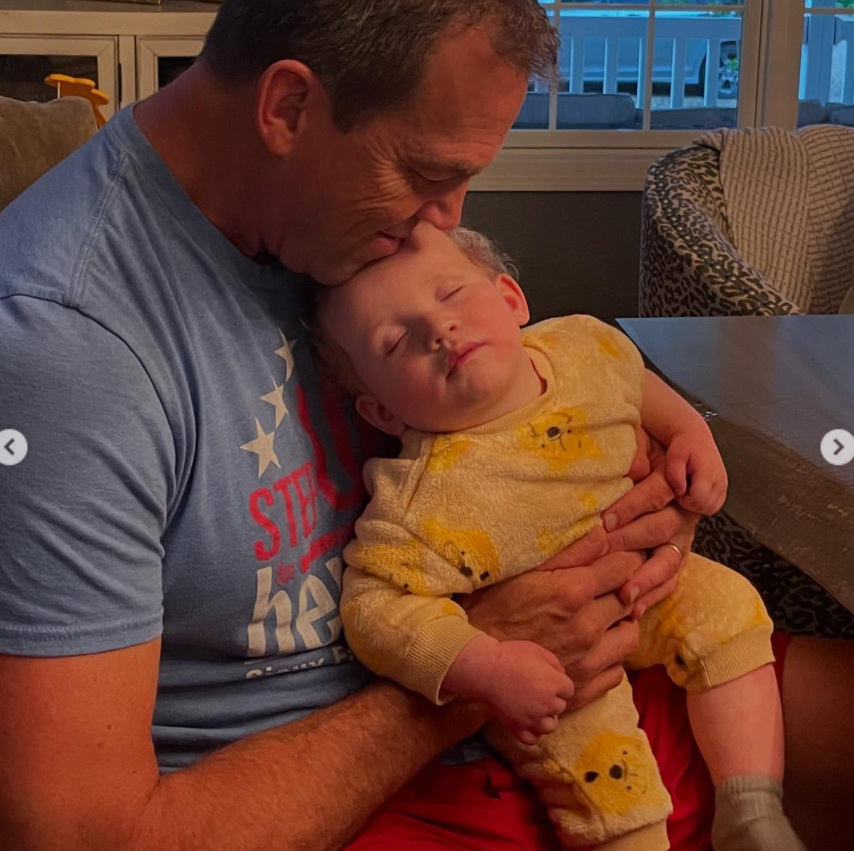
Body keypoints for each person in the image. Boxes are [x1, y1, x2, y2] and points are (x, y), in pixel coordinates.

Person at [0, 3, 850, 851]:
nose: (446, 219)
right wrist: (480, 666)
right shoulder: (68, 346)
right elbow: (85, 833)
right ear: (288, 109)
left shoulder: (317, 221)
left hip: (593, 671)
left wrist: (641, 486)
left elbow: (526, 411)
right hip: (376, 787)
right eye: (428, 173)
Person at [311, 222, 802, 851]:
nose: (439, 329)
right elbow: (375, 609)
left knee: (731, 608)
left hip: (647, 587)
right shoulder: (418, 499)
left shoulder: (583, 343)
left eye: (451, 293)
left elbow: (635, 383)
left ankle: (753, 809)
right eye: (397, 340)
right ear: (382, 410)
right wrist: (485, 665)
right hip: (541, 666)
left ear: (511, 299)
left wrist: (689, 435)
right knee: (605, 775)